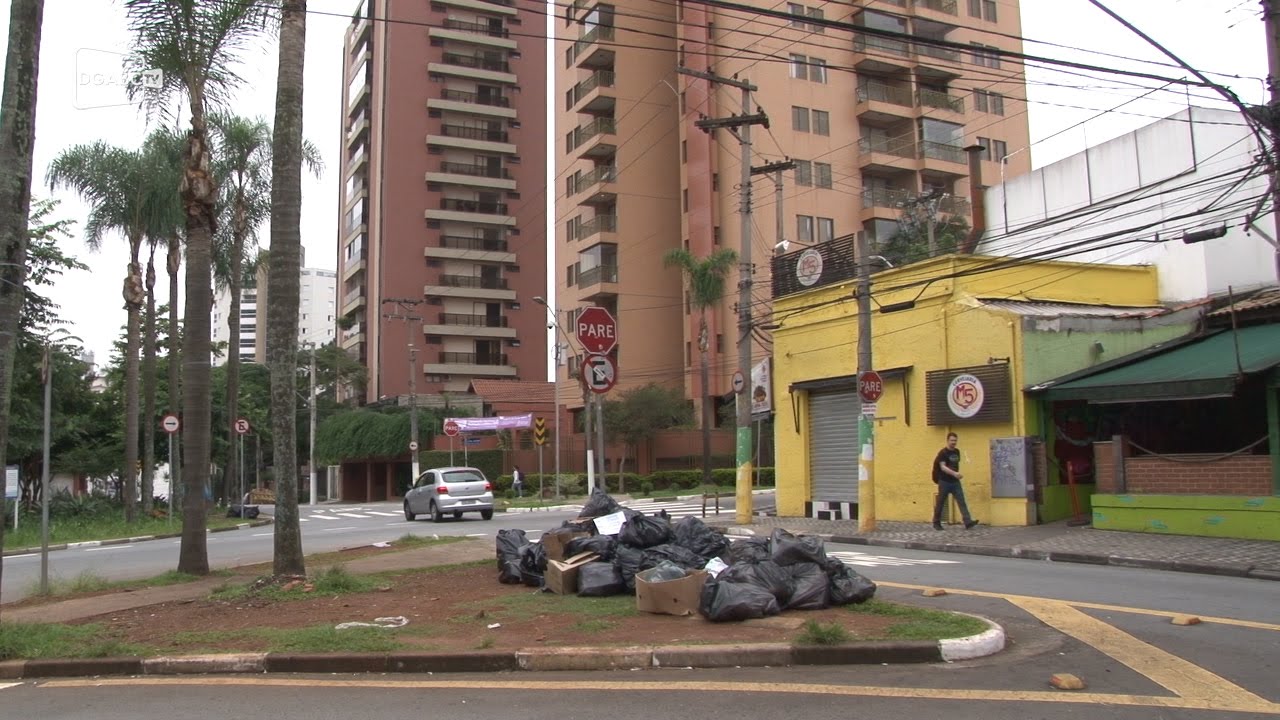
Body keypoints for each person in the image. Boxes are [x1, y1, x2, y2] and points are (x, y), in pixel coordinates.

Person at [932, 432, 978, 530]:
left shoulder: (957, 451)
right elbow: (943, 467)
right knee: (941, 502)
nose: (954, 442)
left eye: (955, 440)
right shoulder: (943, 453)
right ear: (947, 440)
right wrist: (955, 474)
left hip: (955, 482)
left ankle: (968, 521)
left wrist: (956, 475)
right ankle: (936, 522)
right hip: (944, 481)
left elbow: (955, 464)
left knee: (962, 501)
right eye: (952, 440)